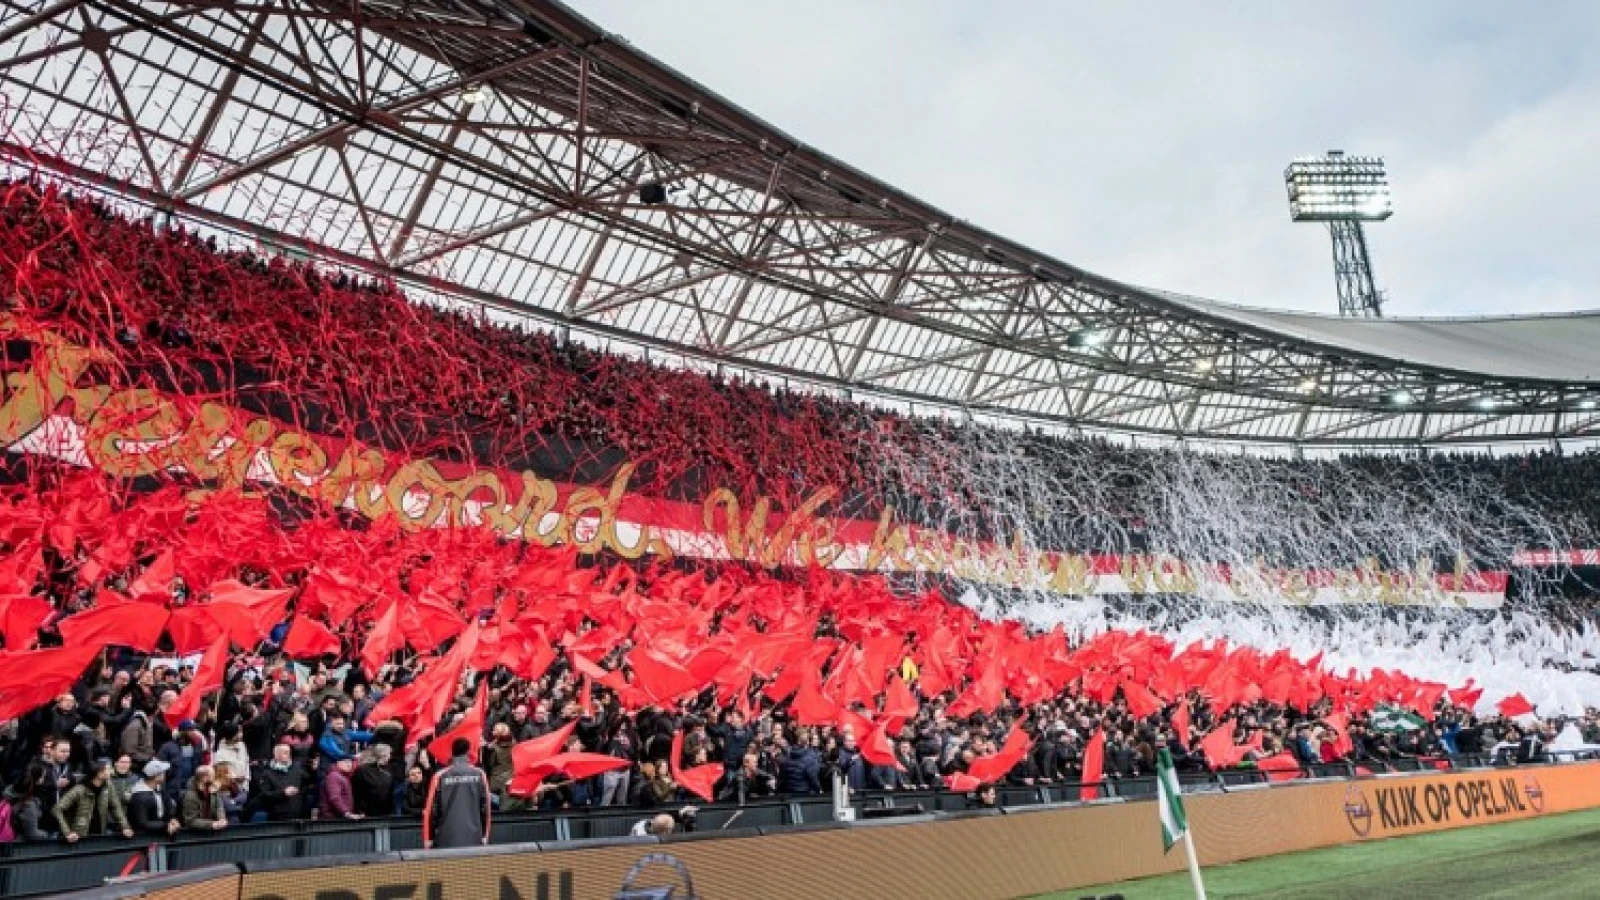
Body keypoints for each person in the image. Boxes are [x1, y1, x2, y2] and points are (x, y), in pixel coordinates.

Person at [422, 738, 491, 849]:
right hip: (474, 838)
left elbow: (431, 810)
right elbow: (485, 808)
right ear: (468, 751)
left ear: (452, 752)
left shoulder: (440, 776)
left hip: (445, 838)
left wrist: (428, 838)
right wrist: (484, 835)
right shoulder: (479, 774)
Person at [52, 759, 133, 842]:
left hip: (99, 832)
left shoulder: (108, 786)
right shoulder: (79, 790)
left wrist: (125, 827)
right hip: (79, 835)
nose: (111, 771)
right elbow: (57, 809)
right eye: (108, 769)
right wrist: (67, 832)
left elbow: (116, 807)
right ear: (99, 773)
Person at [251, 743, 307, 822]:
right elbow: (265, 795)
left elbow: (306, 784)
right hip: (278, 816)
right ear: (276, 755)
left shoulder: (297, 770)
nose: (288, 755)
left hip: (298, 813)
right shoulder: (267, 773)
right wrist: (283, 793)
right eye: (285, 752)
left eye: (289, 752)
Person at [127, 761, 182, 837]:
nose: (165, 774)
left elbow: (169, 808)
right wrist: (166, 825)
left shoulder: (160, 789)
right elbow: (142, 823)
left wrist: (172, 820)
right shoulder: (139, 797)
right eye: (163, 772)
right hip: (143, 839)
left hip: (161, 835)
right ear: (156, 776)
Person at [3, 764, 52, 842]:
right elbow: (32, 834)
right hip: (22, 846)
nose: (44, 779)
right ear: (37, 779)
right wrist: (48, 835)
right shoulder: (29, 804)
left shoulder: (13, 792)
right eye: (42, 777)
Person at [180, 765, 228, 832]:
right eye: (213, 775)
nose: (214, 778)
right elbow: (190, 821)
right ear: (204, 778)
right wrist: (211, 824)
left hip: (212, 830)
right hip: (195, 834)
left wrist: (222, 819)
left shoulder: (213, 789)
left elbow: (219, 807)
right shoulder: (190, 796)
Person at [352, 746, 394, 818]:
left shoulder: (387, 769)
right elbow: (357, 792)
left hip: (385, 812)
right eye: (389, 754)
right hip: (367, 812)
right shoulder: (363, 770)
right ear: (382, 755)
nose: (390, 757)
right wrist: (359, 810)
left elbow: (389, 790)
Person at [320, 756, 363, 821]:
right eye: (346, 762)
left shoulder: (344, 776)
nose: (349, 765)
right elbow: (335, 798)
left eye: (350, 762)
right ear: (338, 763)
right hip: (332, 819)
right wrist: (347, 813)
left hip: (340, 817)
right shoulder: (334, 776)